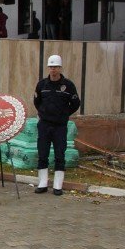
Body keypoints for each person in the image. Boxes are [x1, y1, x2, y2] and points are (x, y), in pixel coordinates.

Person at [33, 55, 80, 195]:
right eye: (51, 67)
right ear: (49, 68)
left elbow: (76, 103)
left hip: (60, 126)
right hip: (44, 124)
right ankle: (42, 183)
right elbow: (37, 101)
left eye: (56, 67)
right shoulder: (42, 84)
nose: (53, 70)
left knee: (60, 154)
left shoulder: (68, 85)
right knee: (43, 153)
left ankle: (58, 185)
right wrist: (43, 113)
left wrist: (64, 114)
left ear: (60, 68)